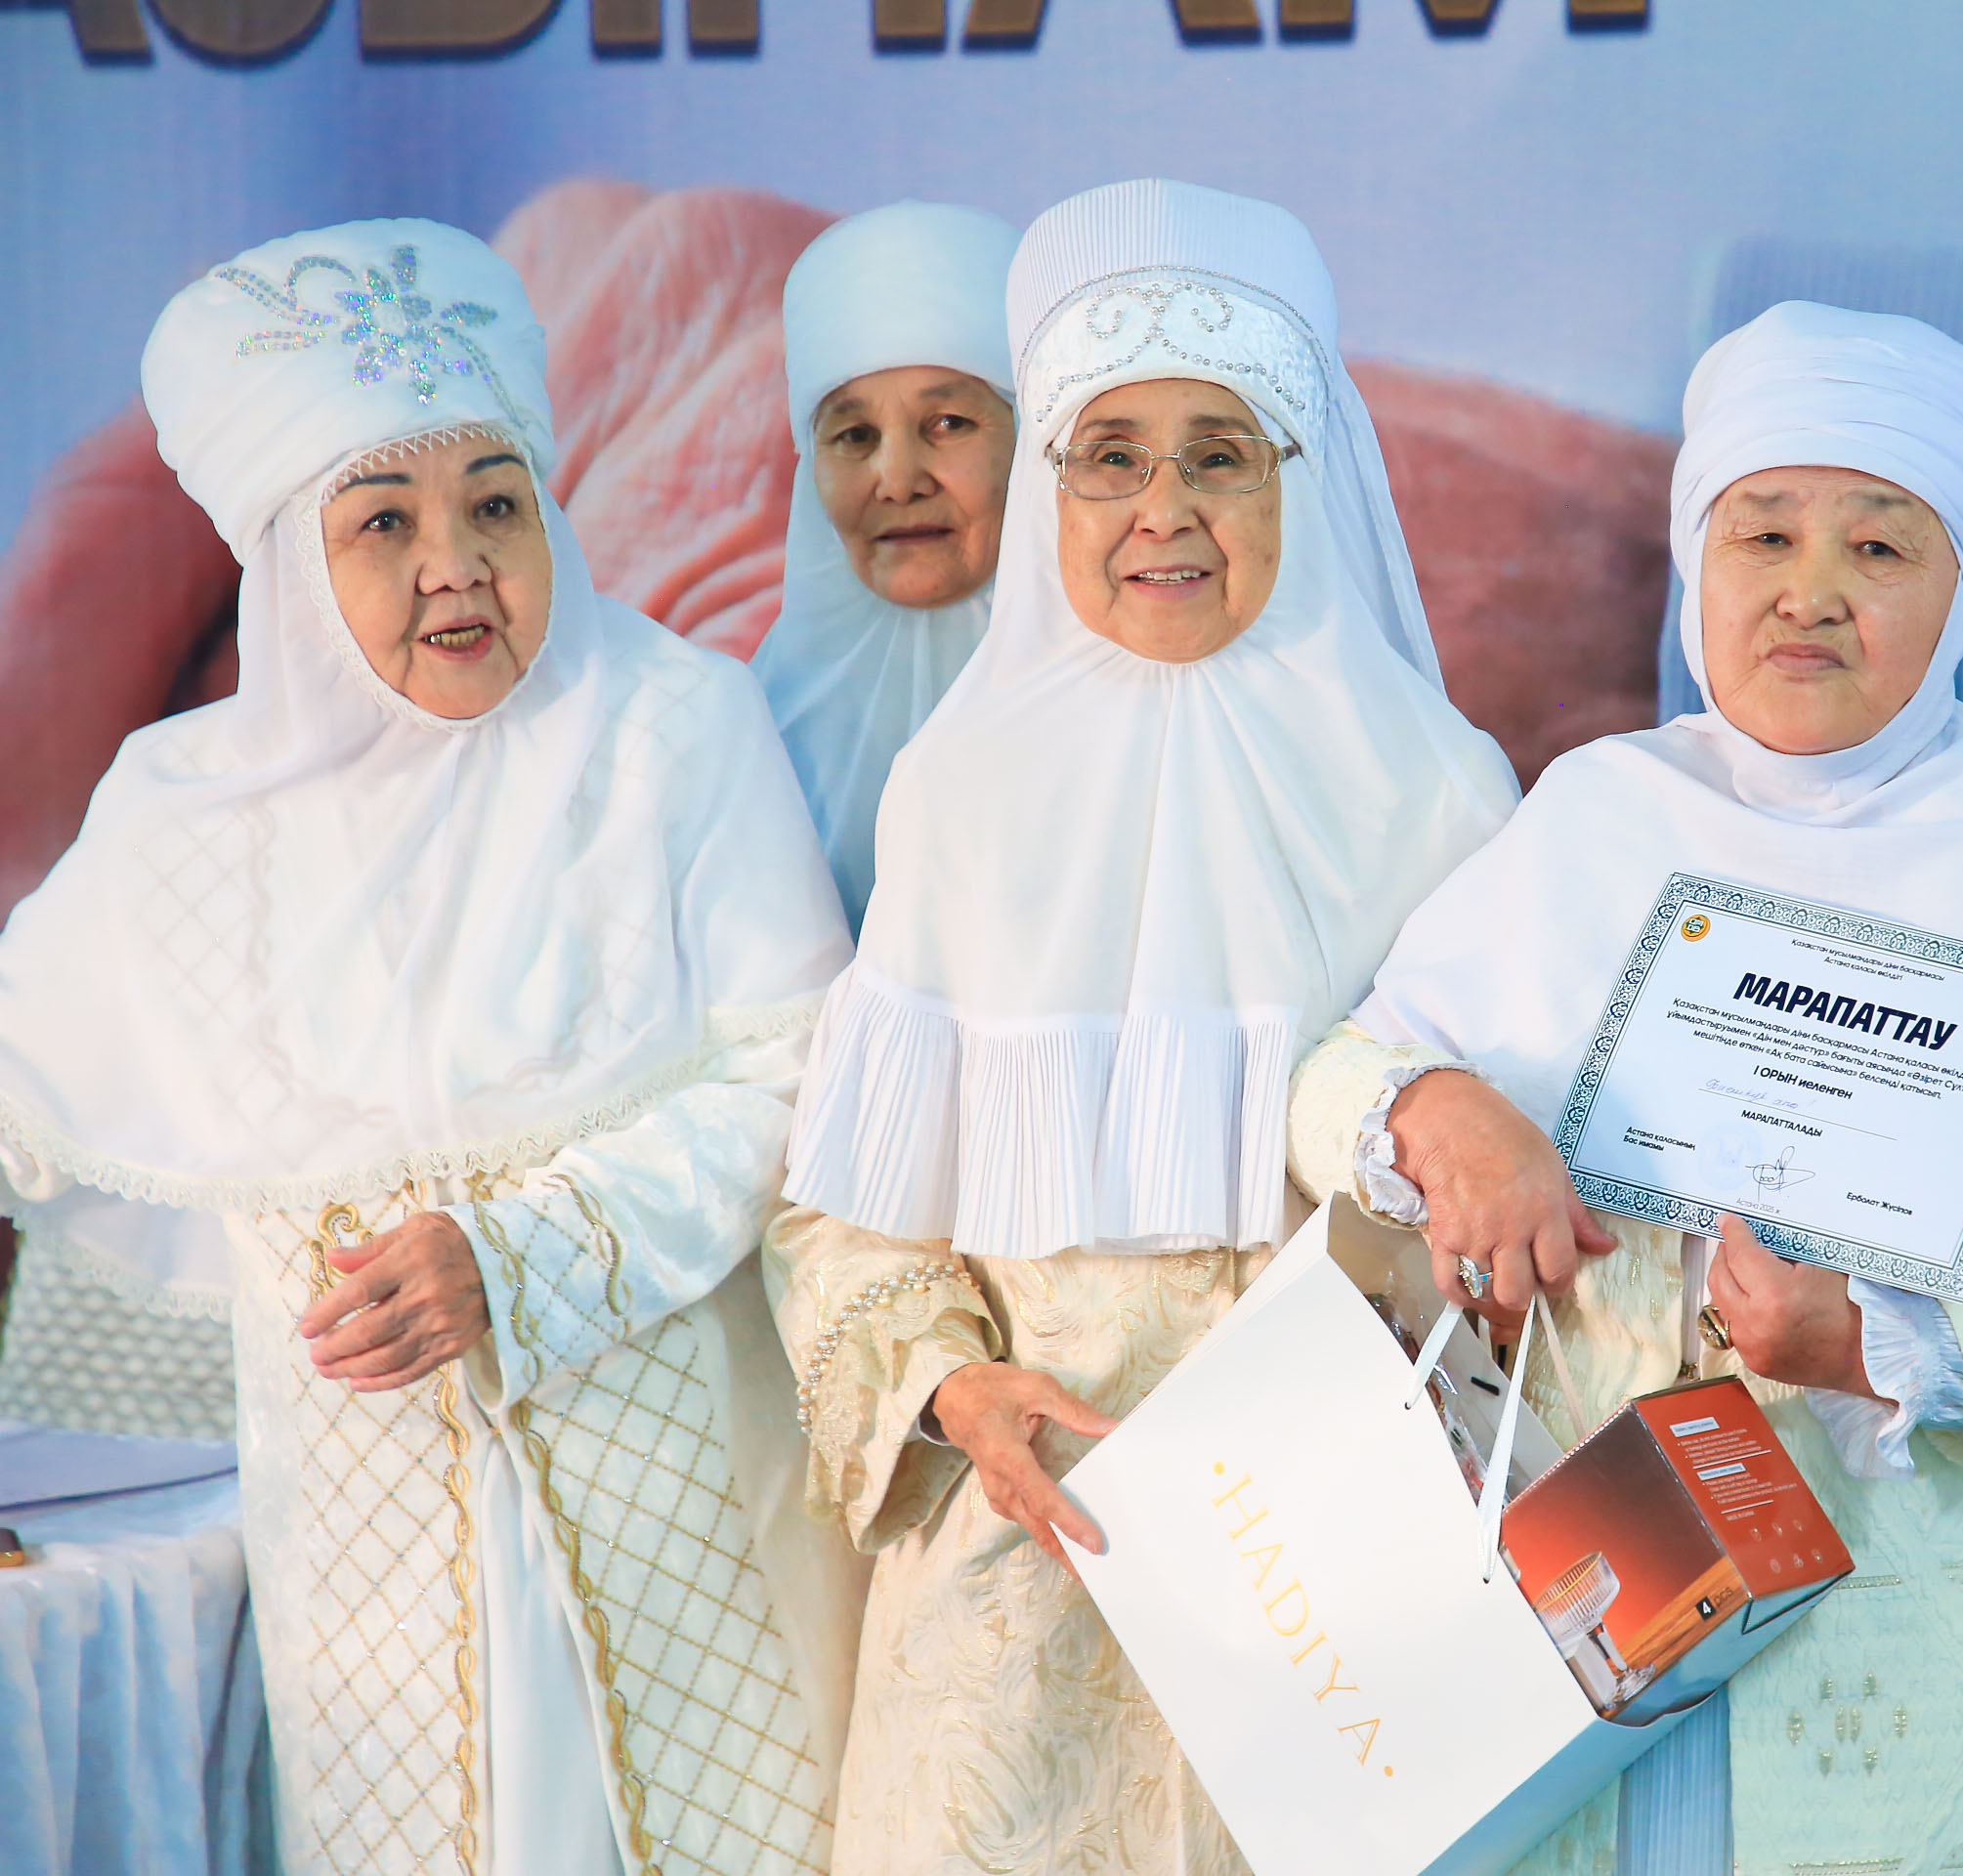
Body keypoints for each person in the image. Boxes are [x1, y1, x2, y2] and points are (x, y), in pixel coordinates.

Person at [1283, 301, 1963, 1876]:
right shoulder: (1596, 816)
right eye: (1762, 532)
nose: (1808, 590)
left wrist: (1883, 1349)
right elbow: (1335, 1086)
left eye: (1879, 547)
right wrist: (1435, 1114)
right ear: (1699, 560)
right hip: (1598, 1622)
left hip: (1939, 1671)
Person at [0, 220, 864, 1876]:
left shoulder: (673, 724)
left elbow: (799, 1071)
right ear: (287, 566)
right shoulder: (183, 815)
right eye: (383, 520)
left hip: (685, 1516)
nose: (456, 563)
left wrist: (519, 1257)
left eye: (496, 503)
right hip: (371, 1561)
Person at [762, 179, 1518, 1876]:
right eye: (1110, 455)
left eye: (1219, 454)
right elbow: (844, 1211)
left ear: (1298, 476)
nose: (1162, 508)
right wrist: (949, 1388)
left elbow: (1509, 1195)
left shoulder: (1435, 788)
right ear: (1052, 482)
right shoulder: (959, 788)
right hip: (1028, 1566)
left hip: (1342, 1583)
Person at [752, 201, 1022, 932]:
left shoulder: (1134, 707)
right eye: (854, 435)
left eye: (949, 424)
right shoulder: (752, 735)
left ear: (1033, 440)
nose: (898, 480)